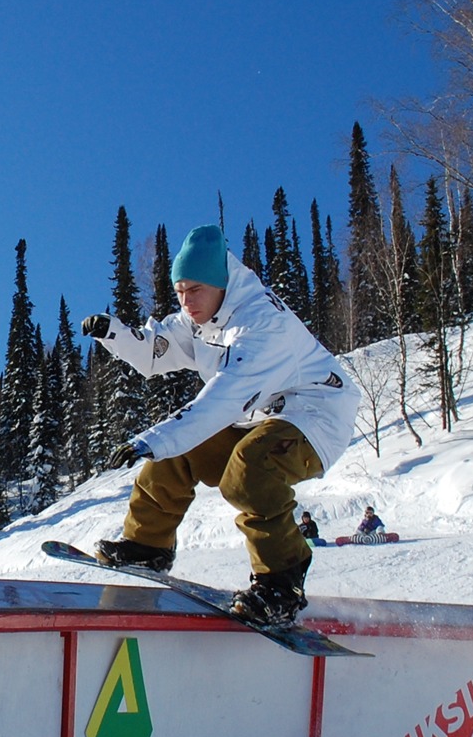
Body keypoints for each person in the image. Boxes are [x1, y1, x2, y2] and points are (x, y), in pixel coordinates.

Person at [80, 224, 360, 627]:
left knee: (249, 469)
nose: (186, 301)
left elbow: (223, 399)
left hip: (315, 417)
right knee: (176, 455)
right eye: (179, 291)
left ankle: (282, 581)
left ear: (220, 283)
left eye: (194, 290)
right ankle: (147, 545)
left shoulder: (260, 325)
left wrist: (154, 438)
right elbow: (157, 353)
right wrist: (116, 335)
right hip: (259, 415)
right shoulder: (200, 318)